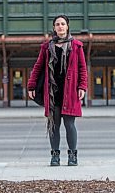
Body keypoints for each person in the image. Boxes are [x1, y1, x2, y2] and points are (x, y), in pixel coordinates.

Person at [28, 15, 88, 166]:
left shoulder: (76, 46)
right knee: (54, 125)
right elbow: (38, 67)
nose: (60, 26)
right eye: (57, 24)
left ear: (67, 26)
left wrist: (82, 87)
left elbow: (82, 69)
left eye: (63, 24)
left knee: (69, 124)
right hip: (52, 92)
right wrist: (31, 86)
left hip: (70, 91)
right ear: (54, 28)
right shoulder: (47, 47)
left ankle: (73, 156)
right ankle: (55, 156)